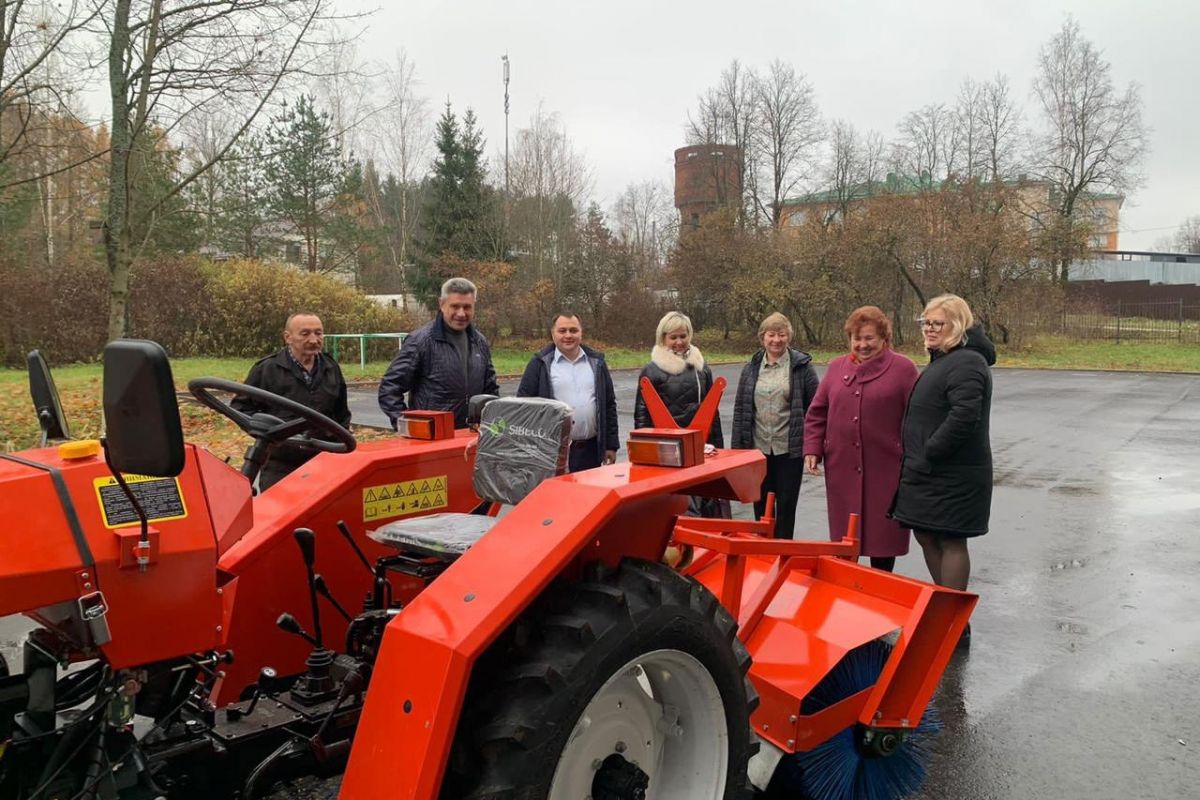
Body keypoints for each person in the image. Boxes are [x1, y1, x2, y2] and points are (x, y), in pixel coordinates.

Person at [891, 294, 995, 645]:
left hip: (954, 472)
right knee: (926, 533)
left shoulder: (967, 362)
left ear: (958, 326)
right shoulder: (944, 359)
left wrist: (930, 451)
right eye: (927, 322)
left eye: (939, 323)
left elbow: (964, 416)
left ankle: (954, 624)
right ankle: (947, 610)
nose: (930, 329)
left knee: (951, 538)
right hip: (930, 470)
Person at [803, 306, 919, 568]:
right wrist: (812, 449)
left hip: (886, 470)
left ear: (884, 339)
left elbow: (917, 419)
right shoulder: (836, 368)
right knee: (846, 540)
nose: (862, 345)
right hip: (842, 468)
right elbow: (817, 413)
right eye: (857, 339)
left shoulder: (903, 369)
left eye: (869, 339)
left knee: (883, 538)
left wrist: (911, 457)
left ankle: (879, 590)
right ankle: (848, 592)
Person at [232, 312, 351, 491]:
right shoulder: (267, 369)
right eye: (305, 334)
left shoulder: (331, 368)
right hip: (281, 464)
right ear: (288, 337)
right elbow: (241, 408)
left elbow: (342, 413)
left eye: (318, 333)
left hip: (323, 461)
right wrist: (267, 434)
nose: (313, 339)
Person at [731, 312, 819, 540]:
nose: (776, 340)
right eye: (771, 334)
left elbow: (816, 409)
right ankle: (763, 552)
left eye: (782, 334)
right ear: (763, 337)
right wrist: (737, 453)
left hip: (790, 451)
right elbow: (741, 410)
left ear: (788, 336)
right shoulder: (751, 368)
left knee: (787, 507)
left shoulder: (802, 367)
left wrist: (814, 448)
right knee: (761, 506)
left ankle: (783, 554)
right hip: (758, 451)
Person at [378, 277, 500, 429]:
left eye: (467, 307)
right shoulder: (421, 341)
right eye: (455, 306)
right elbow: (389, 389)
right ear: (442, 304)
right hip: (433, 441)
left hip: (472, 437)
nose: (461, 313)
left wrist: (491, 424)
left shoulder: (479, 342)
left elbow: (491, 390)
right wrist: (410, 427)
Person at [517, 313, 619, 472]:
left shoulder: (597, 363)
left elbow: (609, 405)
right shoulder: (539, 364)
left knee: (589, 496)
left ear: (581, 332)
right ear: (553, 333)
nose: (568, 335)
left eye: (573, 330)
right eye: (562, 330)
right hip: (553, 453)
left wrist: (611, 445)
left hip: (590, 452)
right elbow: (523, 409)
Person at [634, 311, 723, 448]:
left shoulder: (701, 368)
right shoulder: (651, 371)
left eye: (683, 336)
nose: (679, 342)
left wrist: (718, 446)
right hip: (667, 445)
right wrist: (644, 448)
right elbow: (642, 414)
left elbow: (713, 412)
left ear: (689, 335)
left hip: (702, 442)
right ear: (663, 338)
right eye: (673, 337)